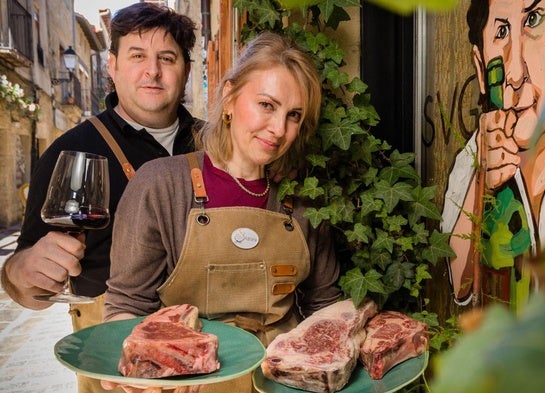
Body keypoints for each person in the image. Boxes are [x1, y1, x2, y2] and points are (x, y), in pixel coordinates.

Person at [102, 31, 341, 393]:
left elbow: (325, 305)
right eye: (266, 105)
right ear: (229, 97)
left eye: (294, 115)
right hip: (188, 382)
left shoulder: (303, 200)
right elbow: (127, 305)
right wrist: (144, 371)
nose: (279, 129)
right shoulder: (160, 186)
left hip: (283, 385)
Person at [0, 2, 198, 392]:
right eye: (137, 56)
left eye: (167, 58)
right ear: (112, 66)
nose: (152, 71)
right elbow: (22, 281)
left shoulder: (217, 146)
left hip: (208, 342)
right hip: (112, 350)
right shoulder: (69, 151)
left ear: (186, 69)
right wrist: (22, 275)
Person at [442, 0, 545, 306]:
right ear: (482, 70)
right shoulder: (472, 159)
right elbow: (461, 288)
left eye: (533, 19)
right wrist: (480, 188)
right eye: (502, 31)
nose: (515, 73)